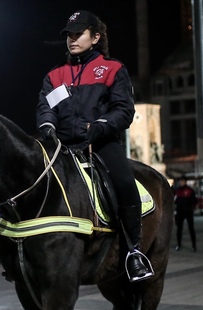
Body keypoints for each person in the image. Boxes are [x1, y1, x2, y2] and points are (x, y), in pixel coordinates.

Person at [36, 10, 152, 282]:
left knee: (125, 184)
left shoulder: (113, 69)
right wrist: (47, 127)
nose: (72, 39)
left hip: (101, 144)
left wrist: (99, 126)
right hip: (61, 148)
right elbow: (46, 108)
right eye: (69, 35)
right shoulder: (55, 76)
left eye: (78, 34)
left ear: (95, 37)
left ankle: (133, 252)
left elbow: (123, 110)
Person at [173, 178, 197, 251]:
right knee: (179, 229)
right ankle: (179, 244)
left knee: (191, 228)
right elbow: (175, 200)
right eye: (180, 181)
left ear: (185, 182)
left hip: (188, 211)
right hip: (180, 212)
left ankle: (194, 246)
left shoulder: (189, 190)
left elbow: (194, 200)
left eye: (182, 181)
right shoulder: (178, 190)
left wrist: (190, 206)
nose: (181, 183)